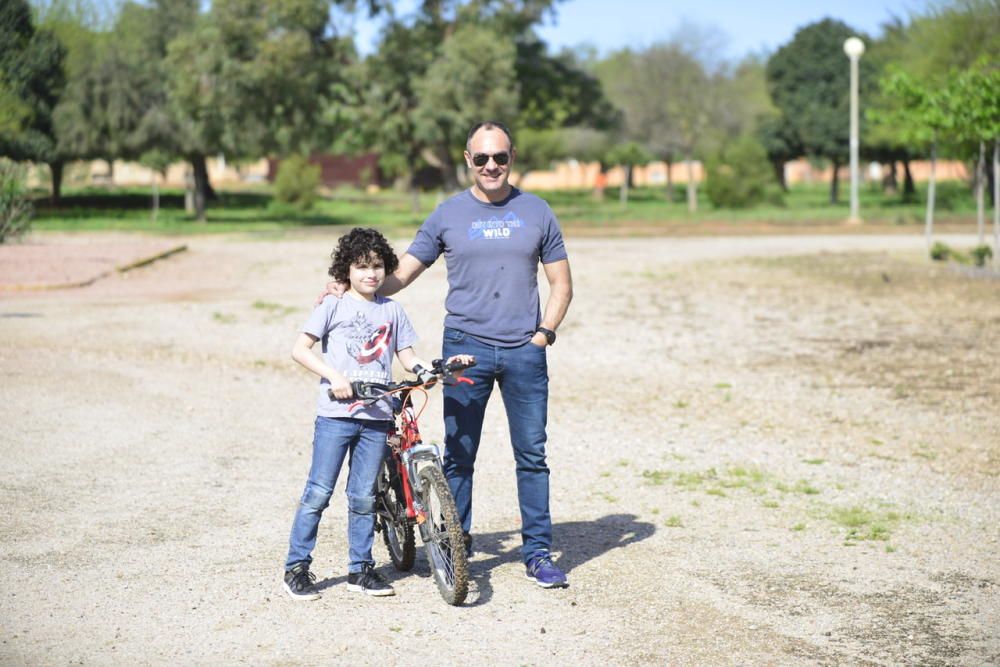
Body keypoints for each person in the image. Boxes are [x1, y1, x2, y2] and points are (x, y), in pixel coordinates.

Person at [328, 121, 573, 588]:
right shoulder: (447, 215)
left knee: (532, 455)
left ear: (512, 157)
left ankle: (538, 552)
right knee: (460, 456)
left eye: (499, 157)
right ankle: (456, 543)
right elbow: (401, 274)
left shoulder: (538, 212)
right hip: (465, 350)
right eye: (481, 158)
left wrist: (544, 334)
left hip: (525, 351)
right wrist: (351, 283)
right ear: (468, 161)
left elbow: (562, 283)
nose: (491, 166)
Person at [283, 227, 472, 600]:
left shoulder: (393, 310)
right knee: (318, 492)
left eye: (378, 266)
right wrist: (334, 376)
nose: (370, 274)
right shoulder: (333, 304)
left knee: (364, 496)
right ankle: (297, 567)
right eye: (362, 266)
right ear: (346, 270)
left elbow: (407, 356)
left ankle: (360, 568)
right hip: (337, 416)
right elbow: (300, 350)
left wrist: (429, 371)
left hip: (377, 418)